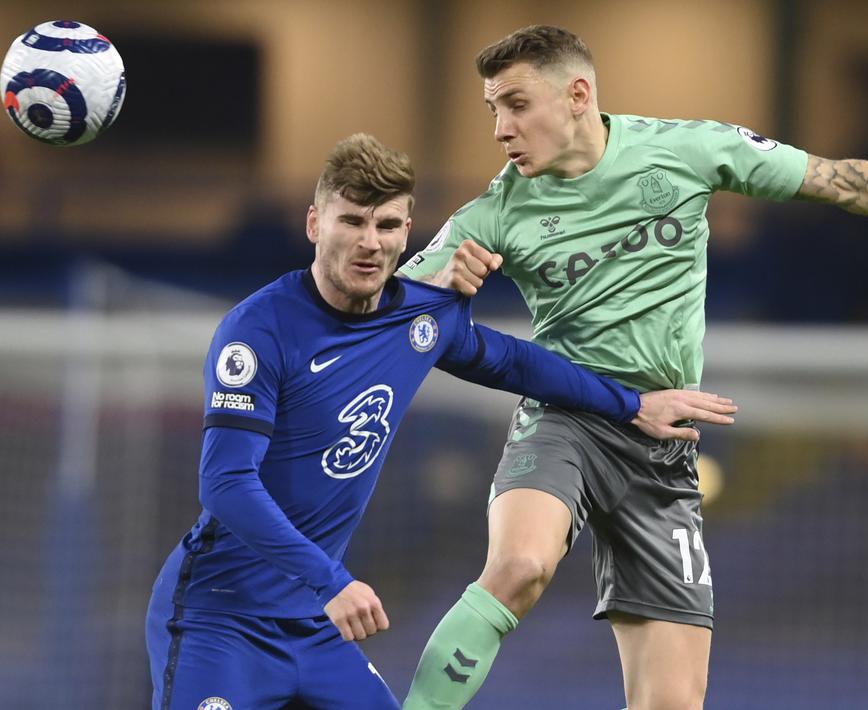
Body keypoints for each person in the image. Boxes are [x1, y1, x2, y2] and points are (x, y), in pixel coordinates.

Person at [398, 25, 868, 710]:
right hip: (566, 418)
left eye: (515, 104)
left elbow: (837, 181)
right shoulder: (493, 211)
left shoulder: (685, 149)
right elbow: (385, 315)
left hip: (664, 442)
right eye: (492, 111)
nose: (501, 128)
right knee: (520, 564)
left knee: (673, 703)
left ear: (576, 94)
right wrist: (439, 291)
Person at [143, 133, 734, 710]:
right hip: (221, 617)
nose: (370, 242)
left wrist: (632, 405)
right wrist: (331, 582)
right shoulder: (259, 331)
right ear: (314, 225)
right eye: (351, 221)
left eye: (387, 225)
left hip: (316, 626)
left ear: (408, 231)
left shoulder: (421, 319)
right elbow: (225, 485)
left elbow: (514, 362)